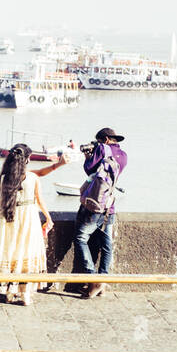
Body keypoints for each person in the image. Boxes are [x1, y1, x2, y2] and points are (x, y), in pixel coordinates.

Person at [0, 144, 53, 305]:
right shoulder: (32, 178)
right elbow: (40, 201)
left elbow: (4, 201)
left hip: (10, 219)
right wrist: (48, 218)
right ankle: (25, 294)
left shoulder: (5, 178)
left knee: (11, 253)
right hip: (29, 218)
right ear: (27, 159)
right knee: (27, 253)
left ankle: (9, 292)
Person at [73, 127, 128, 298]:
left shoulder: (102, 149)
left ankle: (93, 278)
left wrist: (88, 156)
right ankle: (103, 280)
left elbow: (90, 169)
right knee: (106, 245)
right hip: (109, 205)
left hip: (95, 204)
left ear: (104, 139)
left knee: (81, 238)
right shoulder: (124, 155)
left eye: (98, 141)